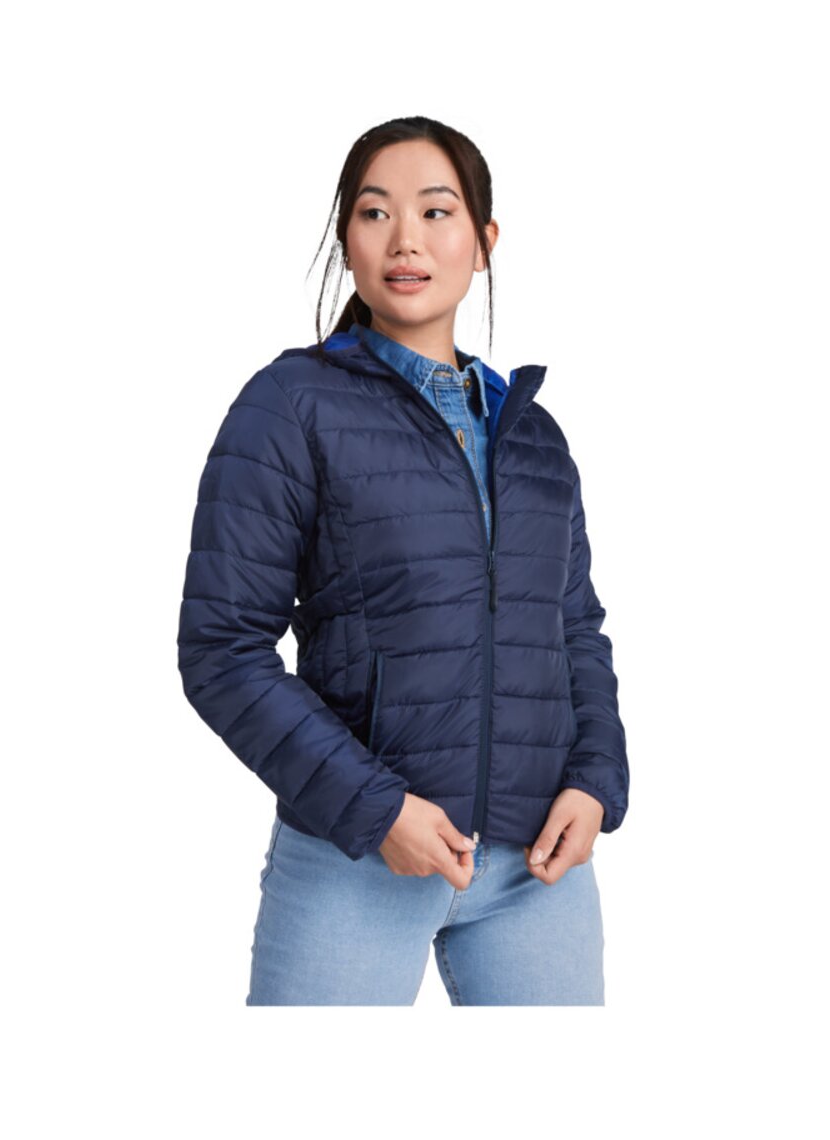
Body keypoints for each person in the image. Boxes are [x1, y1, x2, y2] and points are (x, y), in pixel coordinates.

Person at [177, 116, 629, 1005]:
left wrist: (595, 781)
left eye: (436, 211)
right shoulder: (290, 406)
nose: (406, 239)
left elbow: (574, 630)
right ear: (346, 238)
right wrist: (376, 808)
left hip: (537, 873)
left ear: (484, 242)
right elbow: (221, 649)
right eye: (375, 212)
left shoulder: (533, 437)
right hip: (354, 859)